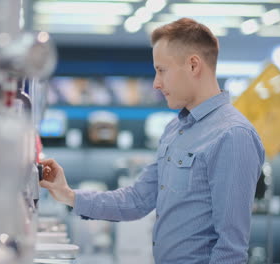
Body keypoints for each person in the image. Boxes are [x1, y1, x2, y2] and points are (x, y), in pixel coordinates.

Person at [39, 18, 265, 264]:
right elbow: (136, 200)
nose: (156, 84)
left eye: (161, 70)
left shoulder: (233, 136)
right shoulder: (176, 128)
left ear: (193, 65)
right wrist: (68, 195)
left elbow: (230, 250)